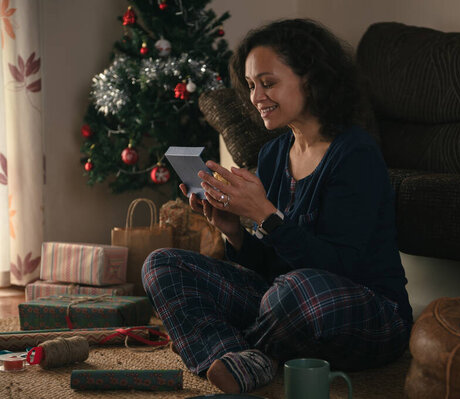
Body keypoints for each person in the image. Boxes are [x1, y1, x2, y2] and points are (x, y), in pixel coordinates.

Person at [142, 18, 412, 394]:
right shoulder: (272, 155)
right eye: (252, 86)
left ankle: (227, 345)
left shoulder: (355, 153)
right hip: (287, 304)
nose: (255, 97)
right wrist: (233, 229)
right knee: (162, 265)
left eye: (268, 83)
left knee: (298, 291)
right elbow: (270, 268)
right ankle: (246, 357)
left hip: (363, 310)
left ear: (312, 79)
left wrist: (265, 216)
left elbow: (343, 267)